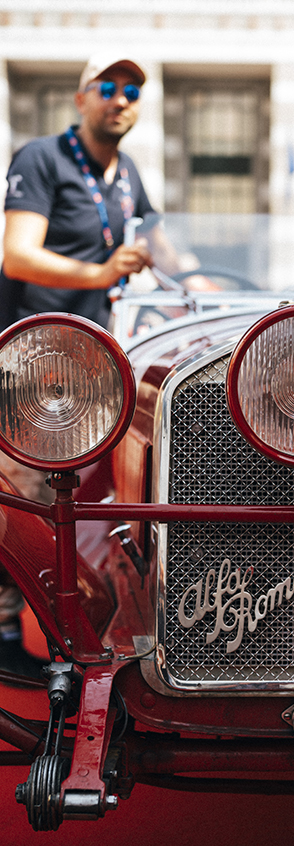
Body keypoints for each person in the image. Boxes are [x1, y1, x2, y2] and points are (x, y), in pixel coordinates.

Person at [0, 52, 155, 677]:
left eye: (133, 91)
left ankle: (96, 614)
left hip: (93, 363)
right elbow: (17, 255)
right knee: (25, 491)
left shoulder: (127, 173)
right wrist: (99, 271)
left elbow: (162, 246)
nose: (121, 99)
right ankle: (9, 629)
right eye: (109, 87)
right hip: (35, 357)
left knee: (97, 492)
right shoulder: (41, 158)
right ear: (81, 97)